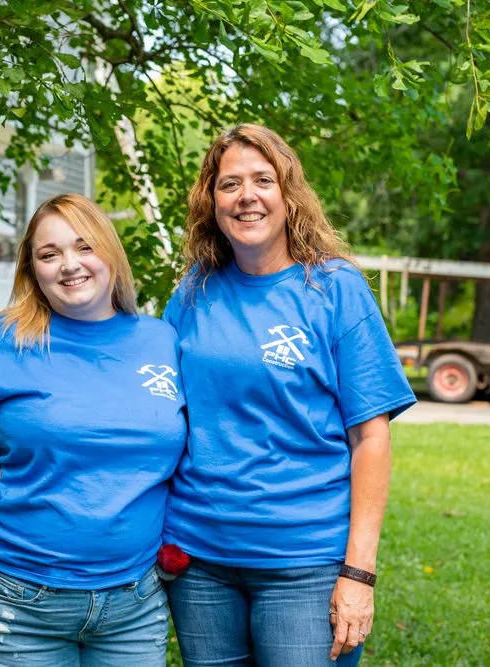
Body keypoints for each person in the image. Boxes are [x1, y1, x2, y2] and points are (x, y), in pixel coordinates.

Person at [0, 193, 186, 666]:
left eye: (84, 247)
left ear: (110, 252)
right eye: (50, 254)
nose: (69, 265)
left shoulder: (161, 339)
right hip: (18, 594)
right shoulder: (0, 339)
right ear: (33, 269)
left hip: (134, 598)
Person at [161, 124, 416, 666]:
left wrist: (359, 573)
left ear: (288, 194)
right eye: (229, 184)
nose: (246, 196)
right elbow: (160, 413)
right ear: (211, 200)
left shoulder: (335, 288)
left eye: (262, 180)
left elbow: (372, 437)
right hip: (198, 560)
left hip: (304, 562)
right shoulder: (193, 292)